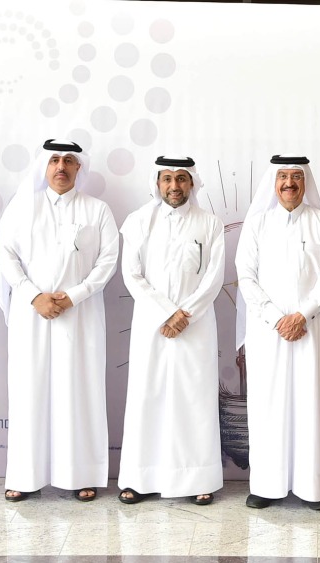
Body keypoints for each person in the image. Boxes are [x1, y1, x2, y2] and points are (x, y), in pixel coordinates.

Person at [0, 139, 119, 503]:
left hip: (79, 315)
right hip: (30, 312)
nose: (61, 166)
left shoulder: (97, 210)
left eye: (69, 160)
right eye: (54, 160)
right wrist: (34, 295)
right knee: (29, 391)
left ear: (79, 168)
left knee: (78, 390)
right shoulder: (21, 208)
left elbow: (108, 260)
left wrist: (74, 295)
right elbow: (6, 256)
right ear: (44, 167)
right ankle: (24, 476)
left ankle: (80, 474)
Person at [235, 155, 320, 510]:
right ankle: (267, 485)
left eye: (297, 176)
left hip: (311, 330)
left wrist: (302, 315)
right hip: (269, 332)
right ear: (273, 182)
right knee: (269, 405)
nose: (289, 183)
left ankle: (314, 489)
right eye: (282, 176)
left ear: (306, 181)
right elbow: (246, 276)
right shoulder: (257, 225)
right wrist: (275, 317)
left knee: (313, 403)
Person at [117, 156, 225, 506]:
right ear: (157, 182)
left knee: (194, 398)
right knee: (148, 395)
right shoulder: (138, 221)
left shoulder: (209, 223)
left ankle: (198, 478)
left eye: (181, 179)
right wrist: (168, 312)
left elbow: (214, 276)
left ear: (192, 183)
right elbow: (132, 274)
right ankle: (139, 478)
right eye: (167, 179)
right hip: (152, 323)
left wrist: (186, 314)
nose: (175, 186)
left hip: (196, 325)